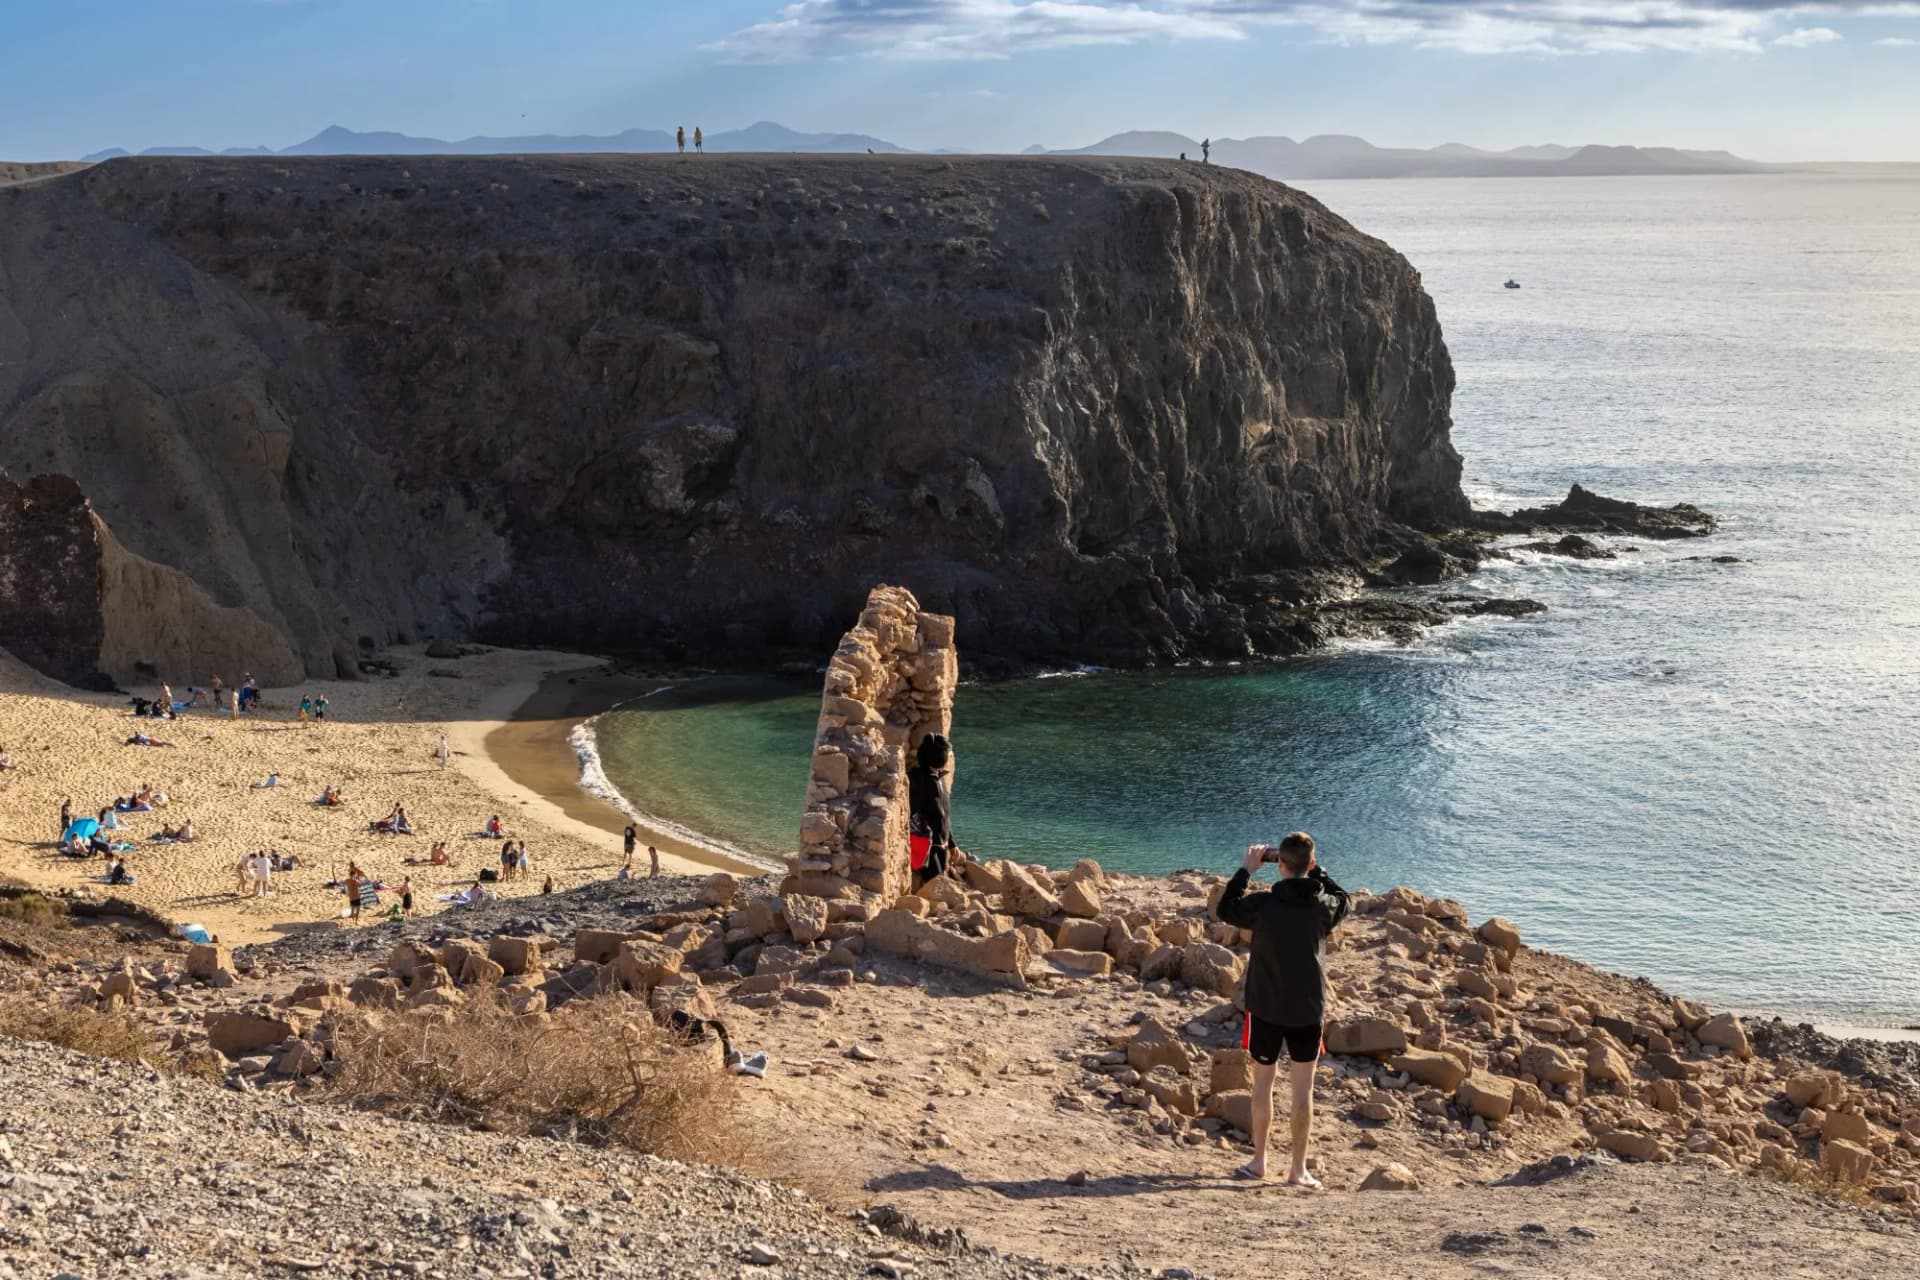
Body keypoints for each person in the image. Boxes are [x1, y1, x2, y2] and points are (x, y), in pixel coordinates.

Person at [1213, 832, 1351, 1186]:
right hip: (1307, 1009)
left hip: (1266, 1008)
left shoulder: (1262, 906)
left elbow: (1226, 907)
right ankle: (1298, 1170)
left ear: (1280, 865)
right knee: (1302, 1088)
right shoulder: (1322, 908)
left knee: (1263, 1083)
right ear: (1310, 863)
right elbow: (1344, 899)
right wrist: (1317, 871)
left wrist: (1246, 869)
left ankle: (1259, 1162)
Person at [907, 734, 960, 887]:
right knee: (936, 885)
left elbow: (943, 815)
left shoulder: (938, 778)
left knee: (938, 883)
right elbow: (917, 814)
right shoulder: (919, 781)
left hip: (940, 844)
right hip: (927, 846)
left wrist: (951, 843)